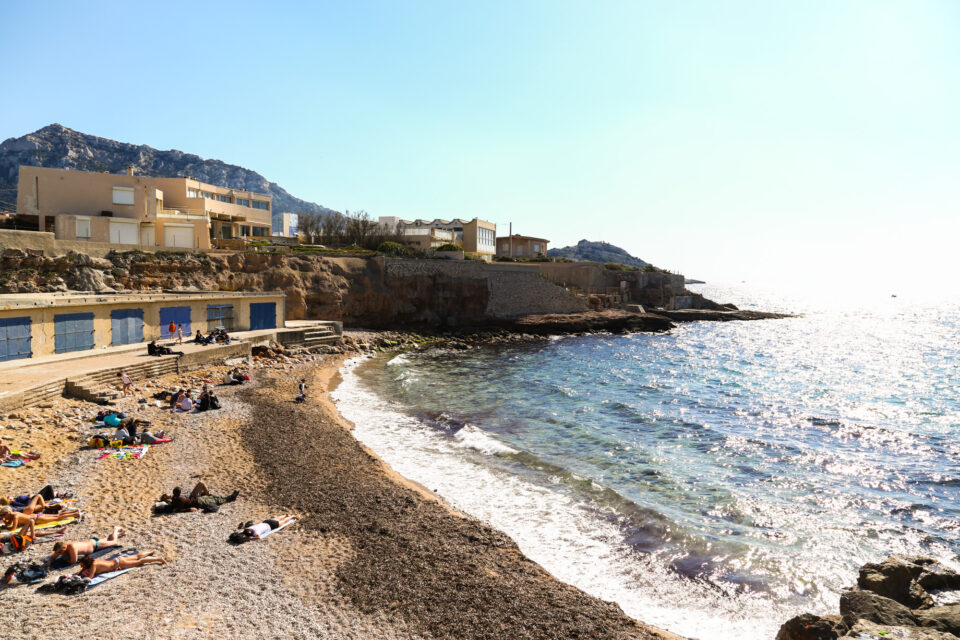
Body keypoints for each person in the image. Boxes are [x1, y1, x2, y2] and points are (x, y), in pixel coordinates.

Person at [48, 526, 126, 567]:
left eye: (60, 552)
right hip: (91, 542)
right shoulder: (63, 546)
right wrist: (49, 562)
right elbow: (53, 556)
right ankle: (119, 534)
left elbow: (73, 561)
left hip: (95, 545)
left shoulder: (72, 547)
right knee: (108, 539)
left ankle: (116, 529)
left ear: (64, 548)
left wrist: (65, 560)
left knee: (114, 542)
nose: (59, 553)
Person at [78, 550, 166, 578]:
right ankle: (151, 551)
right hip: (117, 560)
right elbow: (83, 569)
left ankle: (158, 559)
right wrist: (78, 573)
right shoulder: (94, 561)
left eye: (82, 565)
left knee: (140, 562)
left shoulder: (94, 565)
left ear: (86, 563)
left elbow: (90, 577)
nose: (82, 567)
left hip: (119, 564)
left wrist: (81, 577)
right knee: (137, 556)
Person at [158, 482, 239, 513]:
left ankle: (229, 497)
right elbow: (179, 509)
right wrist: (189, 509)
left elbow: (177, 508)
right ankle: (230, 498)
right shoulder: (179, 500)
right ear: (180, 493)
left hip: (197, 500)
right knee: (216, 500)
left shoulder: (175, 499)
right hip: (198, 502)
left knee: (213, 498)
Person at [231, 515, 297, 543]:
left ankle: (292, 516)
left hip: (271, 526)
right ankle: (285, 515)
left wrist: (251, 538)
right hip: (265, 522)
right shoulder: (247, 529)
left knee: (284, 521)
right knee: (278, 518)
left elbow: (259, 537)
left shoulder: (255, 533)